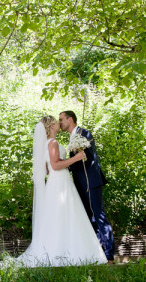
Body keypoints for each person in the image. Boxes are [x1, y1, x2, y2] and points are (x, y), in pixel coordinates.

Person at [13, 115, 108, 267]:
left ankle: (65, 249)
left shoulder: (47, 143)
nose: (58, 124)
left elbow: (49, 167)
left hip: (58, 181)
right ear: (51, 127)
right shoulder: (53, 142)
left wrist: (63, 163)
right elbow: (55, 166)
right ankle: (69, 252)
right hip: (60, 182)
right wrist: (77, 158)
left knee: (62, 215)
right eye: (56, 122)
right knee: (67, 214)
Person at [59, 110, 115, 263]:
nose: (59, 123)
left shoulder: (84, 133)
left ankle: (110, 255)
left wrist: (64, 167)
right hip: (81, 183)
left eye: (61, 119)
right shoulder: (72, 137)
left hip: (91, 181)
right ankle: (100, 253)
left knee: (99, 216)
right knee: (90, 218)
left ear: (70, 120)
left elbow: (89, 158)